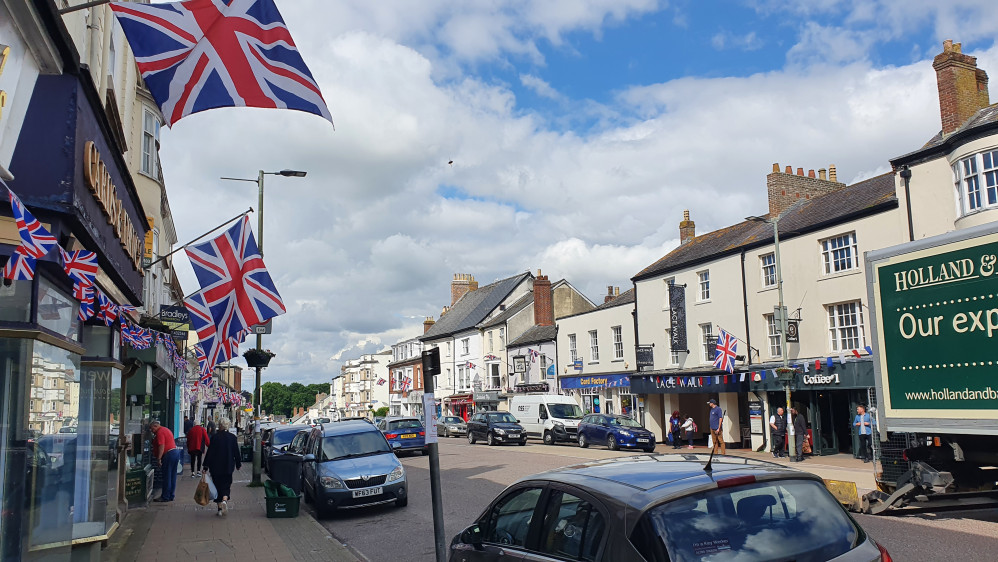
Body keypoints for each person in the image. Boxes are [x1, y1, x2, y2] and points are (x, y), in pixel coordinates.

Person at [204, 417, 241, 516]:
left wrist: (205, 466)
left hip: (215, 467)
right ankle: (225, 500)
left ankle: (220, 508)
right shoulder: (233, 438)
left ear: (220, 425)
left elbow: (210, 453)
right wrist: (238, 464)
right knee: (226, 484)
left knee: (217, 486)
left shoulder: (215, 438)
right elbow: (236, 452)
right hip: (228, 466)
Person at [149, 420, 180, 502]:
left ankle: (165, 496)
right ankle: (171, 495)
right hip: (175, 452)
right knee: (172, 476)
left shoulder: (160, 432)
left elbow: (161, 445)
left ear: (156, 426)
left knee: (167, 476)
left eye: (152, 429)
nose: (152, 431)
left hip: (169, 454)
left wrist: (159, 459)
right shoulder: (166, 429)